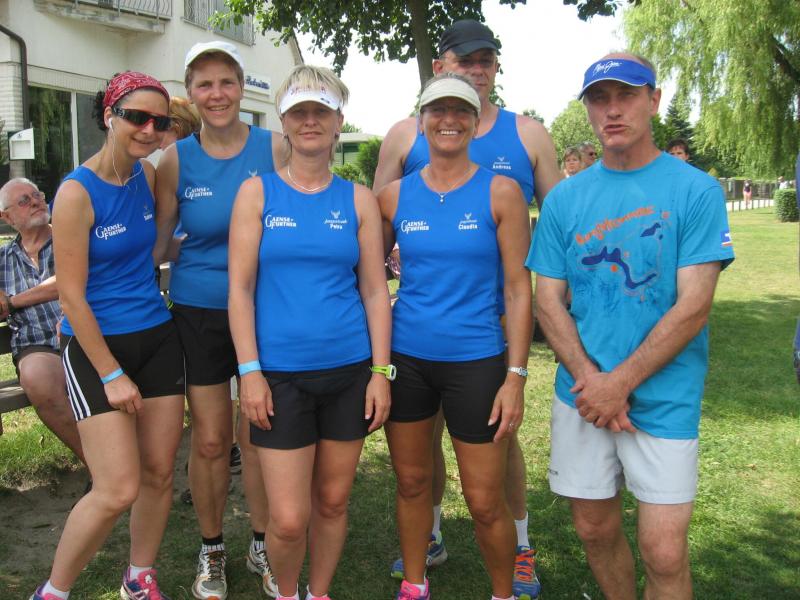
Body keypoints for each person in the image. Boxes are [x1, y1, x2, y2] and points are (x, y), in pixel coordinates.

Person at [527, 53, 735, 600]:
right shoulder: (565, 199)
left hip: (663, 397)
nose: (612, 110)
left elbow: (694, 306)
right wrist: (593, 382)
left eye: (626, 95)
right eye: (600, 99)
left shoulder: (696, 191)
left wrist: (618, 384)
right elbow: (547, 300)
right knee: (594, 530)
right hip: (582, 395)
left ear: (654, 100)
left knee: (664, 552)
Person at [373, 19, 558, 599]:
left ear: (476, 122)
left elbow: (519, 289)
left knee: (483, 500)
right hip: (408, 359)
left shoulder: (501, 192)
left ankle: (504, 590)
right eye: (438, 111)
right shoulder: (393, 196)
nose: (448, 120)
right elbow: (365, 275)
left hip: (477, 359)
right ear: (422, 119)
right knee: (411, 483)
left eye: (460, 111)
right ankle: (415, 585)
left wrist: (516, 375)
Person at [229, 64, 392, 600]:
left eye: (321, 111)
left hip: (348, 372)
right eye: (299, 112)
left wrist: (381, 372)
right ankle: (286, 591)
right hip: (279, 377)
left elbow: (375, 291)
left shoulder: (358, 199)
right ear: (284, 121)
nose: (310, 121)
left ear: (339, 121)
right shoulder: (257, 194)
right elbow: (240, 291)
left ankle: (317, 593)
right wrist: (249, 372)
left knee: (333, 502)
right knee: (288, 518)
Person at [29, 71, 186, 600]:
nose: (149, 129)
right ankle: (53, 592)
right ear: (108, 116)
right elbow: (71, 296)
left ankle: (139, 578)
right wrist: (112, 374)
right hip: (97, 348)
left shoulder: (148, 174)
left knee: (159, 473)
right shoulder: (76, 192)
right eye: (136, 117)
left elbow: (153, 249)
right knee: (117, 487)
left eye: (159, 122)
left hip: (156, 336)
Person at [155, 41, 286, 600]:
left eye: (226, 82)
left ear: (241, 86)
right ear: (191, 93)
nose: (217, 94)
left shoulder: (275, 146)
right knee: (210, 441)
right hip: (201, 311)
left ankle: (261, 541)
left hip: (265, 308)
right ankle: (211, 548)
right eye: (204, 84)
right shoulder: (175, 160)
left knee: (260, 433)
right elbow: (158, 242)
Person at [0, 179, 84, 466]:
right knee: (37, 378)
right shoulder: (4, 259)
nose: (35, 201)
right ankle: (101, 469)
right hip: (36, 345)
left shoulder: (69, 238)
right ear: (7, 217)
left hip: (83, 335)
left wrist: (13, 301)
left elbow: (67, 281)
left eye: (37, 194)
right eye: (24, 200)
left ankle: (118, 469)